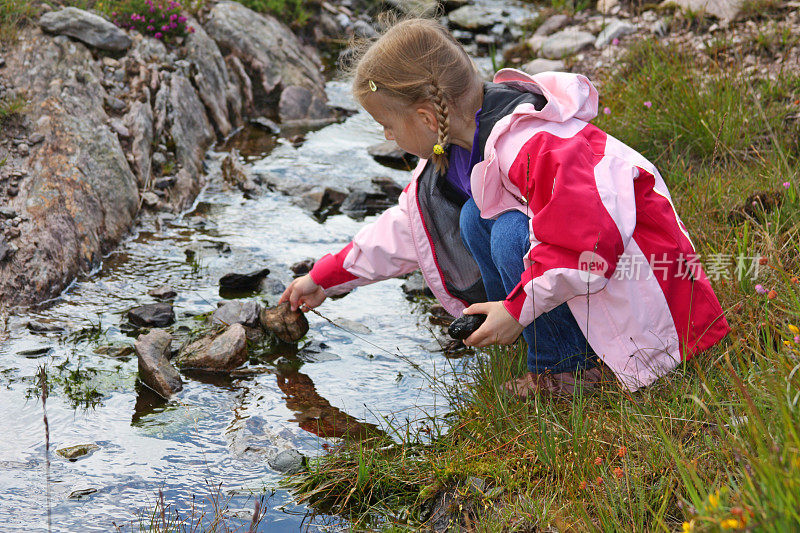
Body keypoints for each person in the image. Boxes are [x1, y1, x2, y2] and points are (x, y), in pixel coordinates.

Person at [279, 18, 730, 396]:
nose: (388, 138)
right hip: (587, 286)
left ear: (425, 118)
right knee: (475, 217)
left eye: (387, 125)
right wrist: (324, 277)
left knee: (508, 231)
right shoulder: (451, 156)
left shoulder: (534, 144)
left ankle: (569, 370)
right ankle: (546, 345)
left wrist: (514, 310)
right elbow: (404, 231)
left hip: (650, 302)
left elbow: (585, 243)